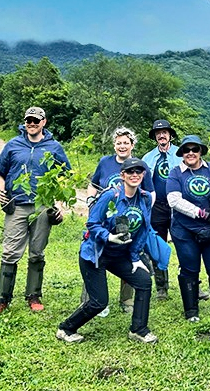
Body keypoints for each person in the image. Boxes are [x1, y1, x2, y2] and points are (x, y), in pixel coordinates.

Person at [57, 157, 159, 344]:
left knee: (144, 282)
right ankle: (66, 328)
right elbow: (92, 223)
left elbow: (143, 230)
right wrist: (108, 236)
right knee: (99, 302)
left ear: (143, 175)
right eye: (130, 172)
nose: (134, 175)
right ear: (122, 175)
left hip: (119, 255)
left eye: (138, 172)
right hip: (96, 253)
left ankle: (138, 329)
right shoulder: (110, 196)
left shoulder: (144, 198)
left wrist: (135, 258)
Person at [0, 106, 71, 315]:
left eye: (36, 120)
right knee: (10, 252)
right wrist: (1, 189)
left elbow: (63, 176)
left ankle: (33, 295)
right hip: (16, 205)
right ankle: (2, 299)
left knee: (37, 252)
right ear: (24, 123)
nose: (32, 124)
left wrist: (59, 205)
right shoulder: (13, 145)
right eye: (28, 121)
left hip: (42, 206)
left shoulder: (53, 147)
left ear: (44, 122)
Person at [165, 135, 210, 322]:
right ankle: (191, 312)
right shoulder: (175, 173)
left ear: (201, 151)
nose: (191, 153)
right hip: (185, 229)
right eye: (186, 150)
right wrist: (200, 213)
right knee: (189, 269)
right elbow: (174, 200)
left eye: (195, 149)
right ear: (182, 154)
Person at [87, 127, 154, 316]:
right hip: (106, 218)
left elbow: (150, 192)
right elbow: (93, 185)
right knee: (96, 254)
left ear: (132, 145)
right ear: (114, 145)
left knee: (127, 252)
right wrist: (91, 203)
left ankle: (127, 299)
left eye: (126, 142)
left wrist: (143, 214)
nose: (122, 146)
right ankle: (95, 300)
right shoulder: (105, 162)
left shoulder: (140, 167)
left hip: (130, 217)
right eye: (119, 143)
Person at [141, 119, 181, 301]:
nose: (161, 135)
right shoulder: (147, 158)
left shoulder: (181, 154)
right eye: (158, 133)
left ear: (170, 135)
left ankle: (192, 285)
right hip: (156, 207)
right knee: (157, 246)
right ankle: (161, 287)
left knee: (184, 245)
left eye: (164, 132)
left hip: (178, 207)